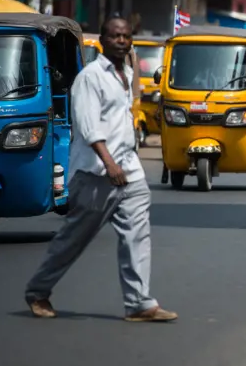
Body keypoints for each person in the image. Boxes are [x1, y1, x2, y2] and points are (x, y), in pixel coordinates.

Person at [24, 17, 177, 322]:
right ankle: (38, 290)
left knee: (137, 234)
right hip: (96, 173)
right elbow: (89, 126)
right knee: (75, 238)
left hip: (129, 171)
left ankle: (139, 303)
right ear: (103, 42)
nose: (121, 41)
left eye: (126, 36)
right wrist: (109, 164)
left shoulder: (126, 74)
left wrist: (125, 163)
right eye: (115, 36)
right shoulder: (90, 77)